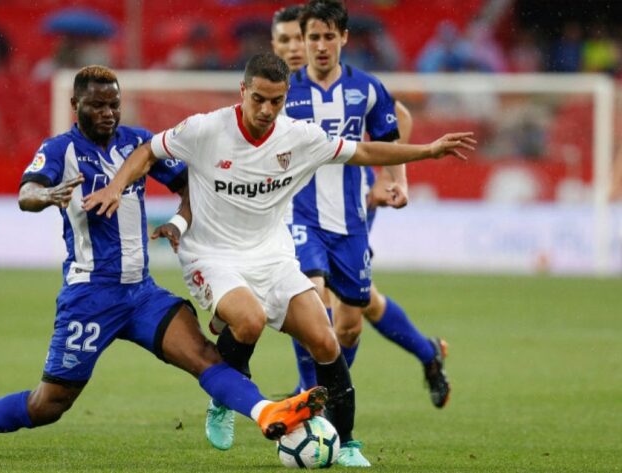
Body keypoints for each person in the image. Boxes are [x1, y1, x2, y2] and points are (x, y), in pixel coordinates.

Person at [83, 53, 474, 466]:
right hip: (212, 254)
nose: (267, 110)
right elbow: (148, 150)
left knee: (325, 340)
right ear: (243, 92)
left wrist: (427, 151)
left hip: (272, 256)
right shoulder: (205, 128)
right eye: (259, 100)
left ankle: (347, 442)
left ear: (286, 96)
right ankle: (223, 399)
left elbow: (364, 152)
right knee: (248, 319)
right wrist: (114, 187)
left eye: (276, 101)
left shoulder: (300, 137)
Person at [0, 65, 330, 457]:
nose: (107, 113)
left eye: (113, 104)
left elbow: (192, 187)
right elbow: (27, 192)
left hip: (141, 293)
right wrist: (47, 195)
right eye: (97, 105)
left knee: (206, 356)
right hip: (90, 296)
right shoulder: (59, 149)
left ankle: (267, 411)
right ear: (75, 105)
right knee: (50, 403)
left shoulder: (138, 144)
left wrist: (180, 224)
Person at [281, 0, 452, 411]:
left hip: (351, 213)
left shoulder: (366, 88)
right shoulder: (283, 89)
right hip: (300, 215)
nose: (317, 46)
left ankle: (426, 354)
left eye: (327, 36)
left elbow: (396, 126)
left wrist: (393, 182)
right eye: (307, 38)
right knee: (312, 297)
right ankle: (314, 398)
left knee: (353, 319)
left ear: (342, 37)